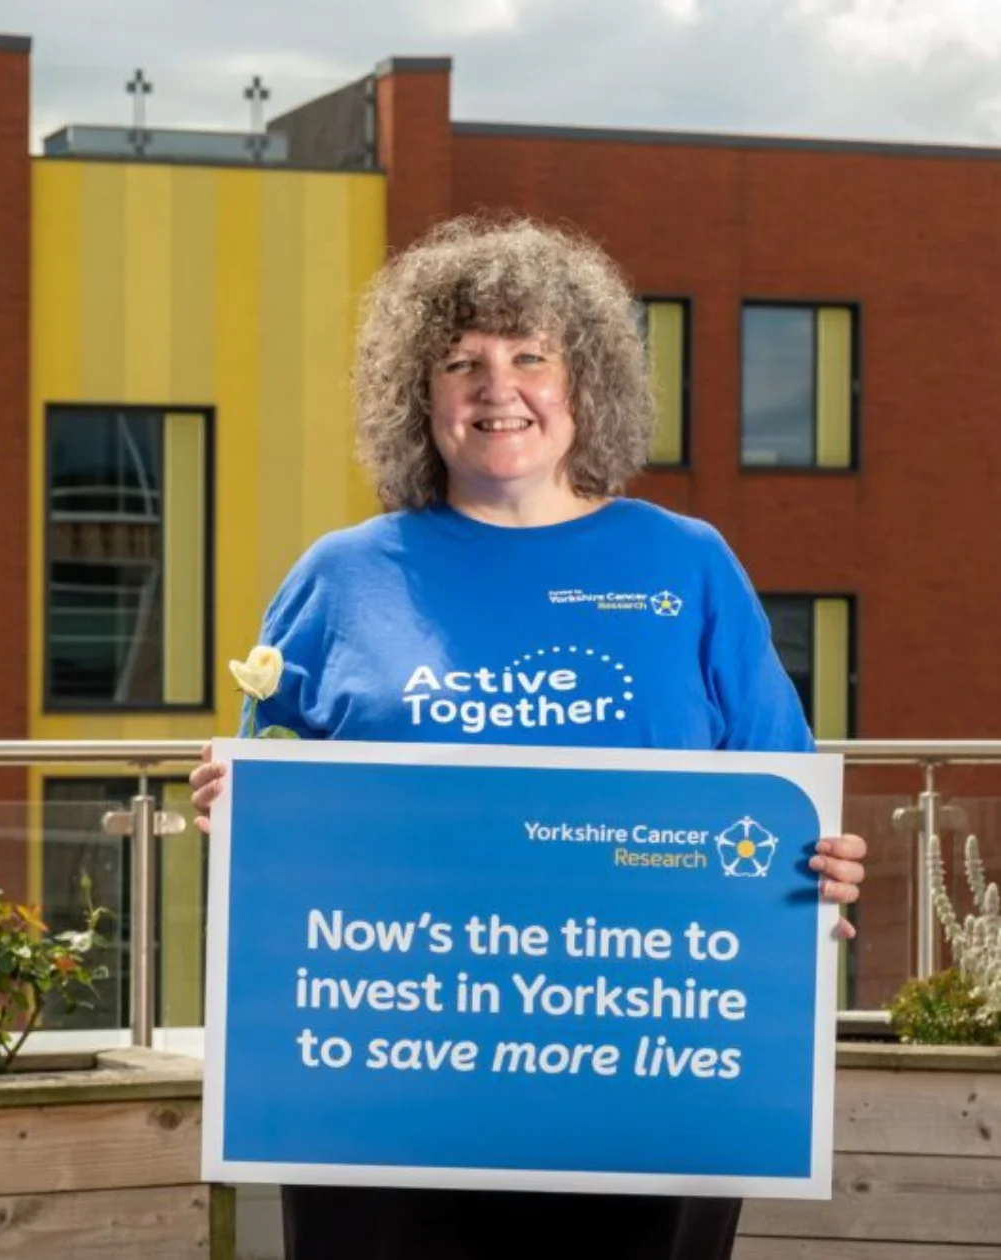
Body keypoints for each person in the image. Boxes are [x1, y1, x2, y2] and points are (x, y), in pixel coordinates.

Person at [190, 215, 867, 1260]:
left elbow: (774, 801)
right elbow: (273, 828)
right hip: (384, 1080)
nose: (494, 388)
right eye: (460, 362)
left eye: (528, 356)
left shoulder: (685, 564)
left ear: (582, 381)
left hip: (642, 1070)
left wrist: (821, 871)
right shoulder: (341, 575)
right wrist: (227, 814)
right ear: (419, 397)